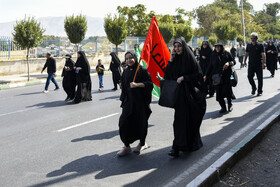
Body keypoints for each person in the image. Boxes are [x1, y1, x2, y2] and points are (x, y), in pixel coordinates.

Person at [164, 37, 207, 157]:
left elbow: (197, 74)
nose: (177, 49)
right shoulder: (175, 60)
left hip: (190, 95)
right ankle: (176, 147)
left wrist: (184, 78)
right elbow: (168, 75)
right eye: (175, 46)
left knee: (190, 120)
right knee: (178, 121)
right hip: (180, 97)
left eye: (179, 46)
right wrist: (171, 61)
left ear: (183, 47)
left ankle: (190, 143)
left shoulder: (190, 59)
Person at [117, 51, 153, 157]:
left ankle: (142, 143)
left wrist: (137, 85)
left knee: (141, 123)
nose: (128, 60)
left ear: (135, 58)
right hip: (128, 102)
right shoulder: (126, 71)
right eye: (127, 58)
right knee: (123, 122)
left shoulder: (142, 70)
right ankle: (126, 145)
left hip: (140, 103)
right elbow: (124, 85)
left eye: (130, 58)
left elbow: (149, 84)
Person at [205, 43, 236, 113]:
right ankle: (223, 107)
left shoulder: (226, 53)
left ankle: (229, 104)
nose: (217, 49)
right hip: (217, 77)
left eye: (219, 47)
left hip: (226, 76)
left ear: (221, 47)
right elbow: (210, 66)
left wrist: (228, 63)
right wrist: (205, 75)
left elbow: (233, 61)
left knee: (228, 92)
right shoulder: (213, 55)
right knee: (218, 95)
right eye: (216, 47)